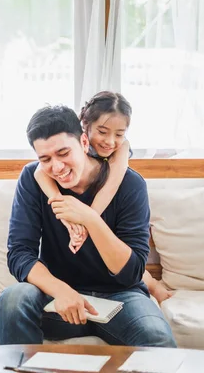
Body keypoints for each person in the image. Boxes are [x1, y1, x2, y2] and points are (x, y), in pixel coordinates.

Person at [0, 94, 176, 347]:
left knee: (155, 335)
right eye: (45, 159)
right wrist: (61, 290)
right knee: (13, 299)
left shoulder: (130, 184)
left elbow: (131, 272)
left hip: (121, 296)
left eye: (63, 153)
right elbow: (19, 254)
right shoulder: (32, 179)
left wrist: (90, 220)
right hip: (58, 295)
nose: (57, 167)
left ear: (83, 141)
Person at [34, 91, 172, 304]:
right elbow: (38, 173)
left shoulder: (120, 155)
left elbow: (111, 186)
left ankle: (152, 283)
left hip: (111, 258)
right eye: (102, 132)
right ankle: (151, 282)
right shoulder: (70, 149)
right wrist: (67, 216)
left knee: (118, 251)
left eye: (119, 134)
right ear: (84, 126)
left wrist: (86, 219)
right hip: (76, 266)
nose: (110, 141)